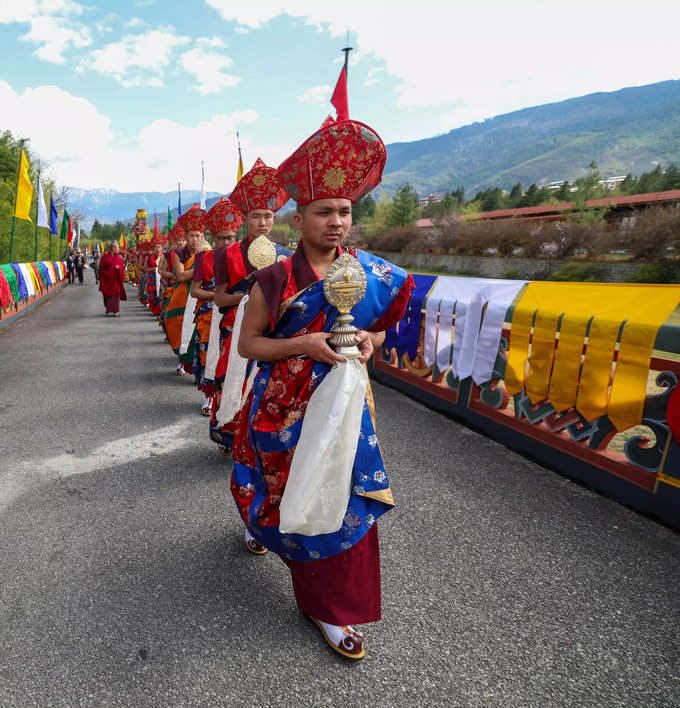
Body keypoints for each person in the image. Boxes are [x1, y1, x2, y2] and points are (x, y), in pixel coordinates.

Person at [232, 118, 414, 660]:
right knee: (284, 496)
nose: (336, 223)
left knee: (341, 497)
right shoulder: (274, 280)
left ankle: (333, 608)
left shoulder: (371, 274)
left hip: (346, 408)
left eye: (345, 211)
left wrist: (374, 339)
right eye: (323, 211)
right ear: (299, 217)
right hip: (283, 407)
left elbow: (389, 322)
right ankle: (272, 538)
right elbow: (249, 346)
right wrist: (305, 344)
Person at [209, 159, 290, 456]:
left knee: (263, 386)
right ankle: (228, 433)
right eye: (256, 216)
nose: (263, 223)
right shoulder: (226, 254)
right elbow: (219, 299)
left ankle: (257, 440)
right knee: (228, 380)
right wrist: (247, 299)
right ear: (244, 219)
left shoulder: (285, 256)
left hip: (271, 333)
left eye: (268, 216)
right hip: (233, 328)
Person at [190, 198, 242, 416]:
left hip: (236, 314)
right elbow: (194, 290)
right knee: (208, 355)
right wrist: (217, 296)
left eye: (230, 238)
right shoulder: (204, 258)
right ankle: (210, 397)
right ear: (213, 238)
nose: (226, 243)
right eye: (221, 238)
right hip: (209, 313)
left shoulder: (243, 254)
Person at [164, 204, 207, 375]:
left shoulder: (207, 252)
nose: (195, 239)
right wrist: (204, 268)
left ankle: (200, 369)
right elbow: (181, 276)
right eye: (191, 236)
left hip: (202, 296)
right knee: (182, 329)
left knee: (200, 331)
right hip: (182, 297)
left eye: (198, 236)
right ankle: (182, 360)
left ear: (202, 236)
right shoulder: (179, 254)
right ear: (186, 236)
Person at [98, 241, 127, 316]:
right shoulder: (105, 257)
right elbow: (101, 268)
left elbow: (122, 266)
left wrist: (119, 267)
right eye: (117, 247)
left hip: (116, 280)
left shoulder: (118, 257)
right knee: (107, 295)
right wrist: (107, 272)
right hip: (107, 279)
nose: (118, 249)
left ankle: (116, 311)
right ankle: (108, 309)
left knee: (116, 295)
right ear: (112, 248)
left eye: (118, 247)